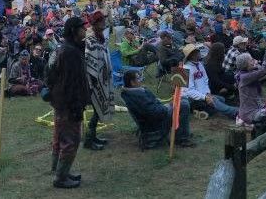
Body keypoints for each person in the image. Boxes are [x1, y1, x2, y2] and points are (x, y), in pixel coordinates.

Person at [47, 16, 90, 189]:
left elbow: (51, 74)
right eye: (82, 28)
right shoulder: (70, 52)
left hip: (61, 101)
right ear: (74, 30)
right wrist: (75, 104)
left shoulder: (66, 48)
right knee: (71, 139)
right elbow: (71, 82)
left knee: (61, 136)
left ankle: (60, 171)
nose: (85, 30)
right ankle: (60, 177)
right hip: (68, 102)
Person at [120, 70, 195, 150]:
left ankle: (182, 133)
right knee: (183, 104)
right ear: (132, 82)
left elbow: (152, 106)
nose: (141, 80)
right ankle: (182, 138)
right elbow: (154, 112)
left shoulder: (133, 92)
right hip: (155, 124)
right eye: (138, 78)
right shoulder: (137, 96)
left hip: (157, 116)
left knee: (182, 99)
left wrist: (167, 105)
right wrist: (168, 107)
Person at [84, 10, 114, 151]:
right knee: (97, 108)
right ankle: (88, 140)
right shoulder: (90, 39)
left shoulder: (100, 36)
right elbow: (88, 59)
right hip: (93, 80)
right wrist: (92, 80)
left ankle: (93, 136)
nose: (104, 23)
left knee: (98, 109)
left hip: (101, 78)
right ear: (96, 23)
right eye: (101, 21)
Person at [182, 44, 238, 119]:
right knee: (214, 100)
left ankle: (199, 110)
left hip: (202, 95)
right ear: (192, 55)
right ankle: (235, 112)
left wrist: (207, 93)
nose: (199, 52)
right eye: (197, 51)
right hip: (190, 98)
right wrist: (205, 97)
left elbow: (206, 80)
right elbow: (189, 91)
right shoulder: (185, 70)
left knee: (222, 99)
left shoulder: (199, 64)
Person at [235, 50, 266, 128]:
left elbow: (262, 69)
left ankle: (260, 125)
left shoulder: (247, 72)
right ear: (245, 64)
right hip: (250, 113)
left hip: (256, 107)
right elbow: (263, 71)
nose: (253, 61)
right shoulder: (245, 77)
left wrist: (258, 63)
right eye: (251, 60)